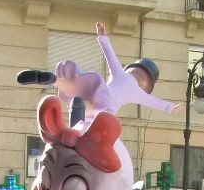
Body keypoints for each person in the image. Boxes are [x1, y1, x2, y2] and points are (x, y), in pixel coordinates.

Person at [18, 22, 182, 120]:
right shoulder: (138, 92)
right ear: (146, 85)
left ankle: (52, 79)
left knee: (76, 87)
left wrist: (102, 37)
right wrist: (171, 108)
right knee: (89, 112)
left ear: (132, 69)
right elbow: (153, 101)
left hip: (97, 90)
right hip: (106, 106)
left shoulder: (120, 73)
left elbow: (110, 56)